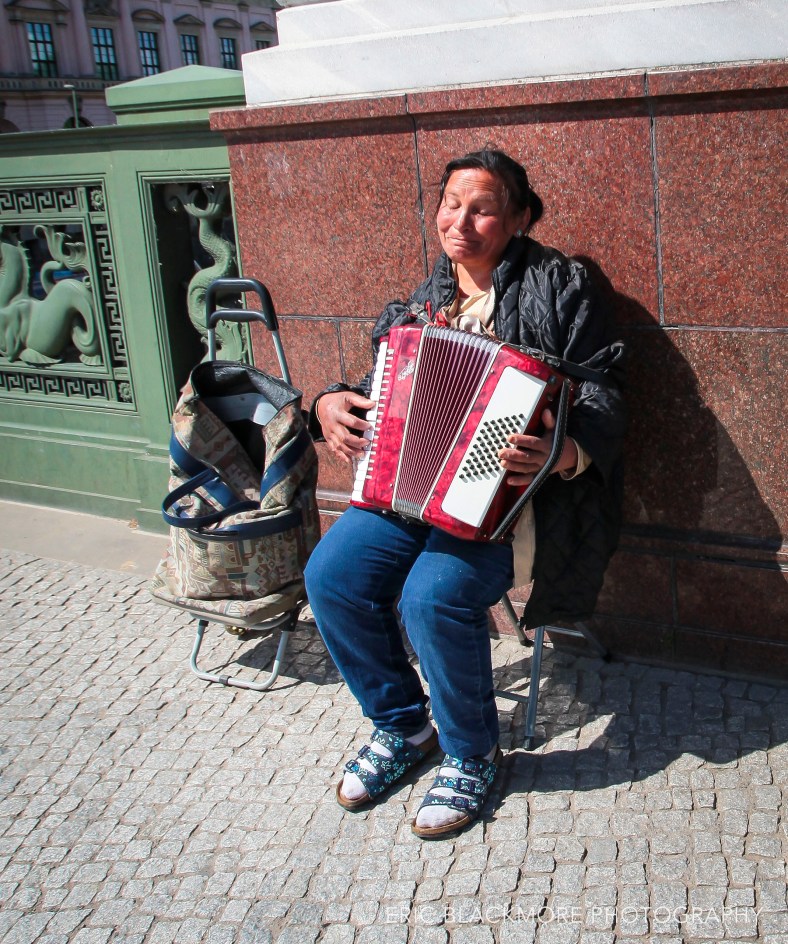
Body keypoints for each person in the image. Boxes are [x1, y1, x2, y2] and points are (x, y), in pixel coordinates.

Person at [304, 148, 625, 839]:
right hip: (409, 495)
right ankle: (403, 727)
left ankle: (471, 753)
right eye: (452, 204)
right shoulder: (423, 301)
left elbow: (606, 392)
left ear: (519, 218)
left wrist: (563, 453)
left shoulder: (561, 288)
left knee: (432, 596)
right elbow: (378, 386)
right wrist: (328, 404)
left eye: (482, 209)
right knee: (331, 576)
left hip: (517, 508)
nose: (461, 221)